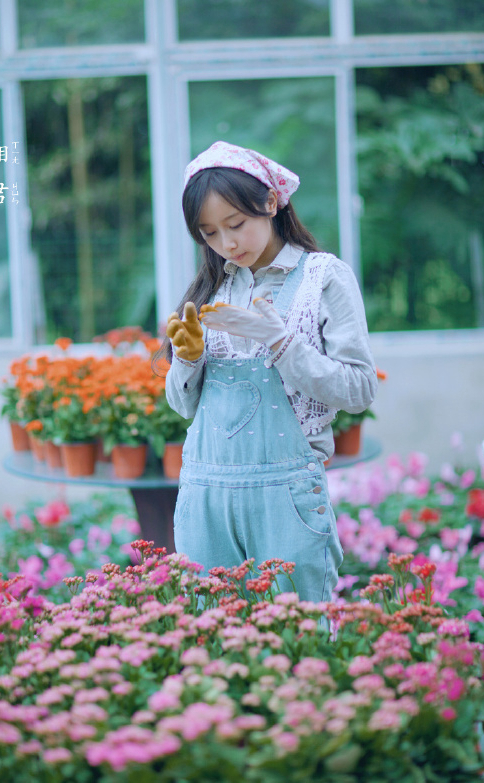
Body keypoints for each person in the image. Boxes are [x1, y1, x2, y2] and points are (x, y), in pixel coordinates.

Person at [161, 140, 377, 602]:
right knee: (212, 639)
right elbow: (182, 407)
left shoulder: (323, 278)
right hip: (206, 498)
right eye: (210, 233)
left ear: (272, 202)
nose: (227, 244)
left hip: (287, 499)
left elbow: (359, 389)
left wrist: (278, 341)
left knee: (298, 638)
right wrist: (190, 356)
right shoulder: (211, 288)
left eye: (236, 224)